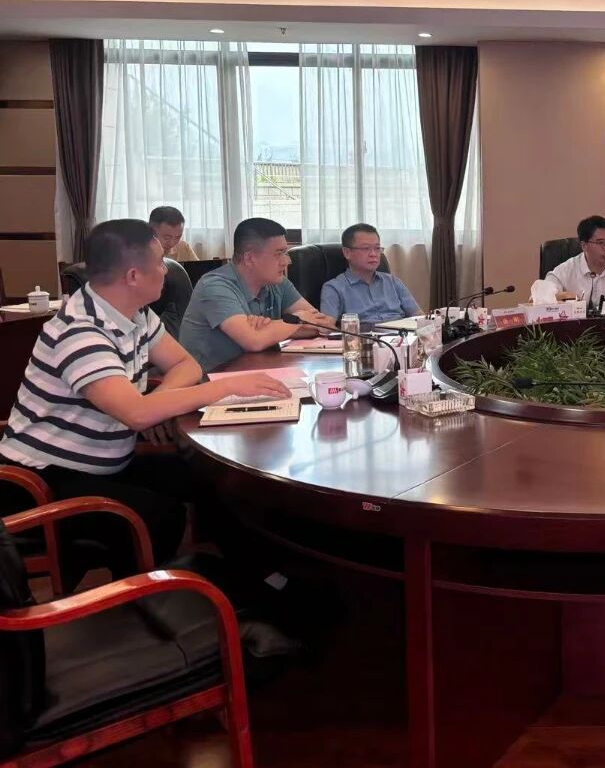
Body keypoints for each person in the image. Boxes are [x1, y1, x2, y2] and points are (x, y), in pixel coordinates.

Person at [0, 219, 291, 586]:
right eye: (159, 263)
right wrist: (224, 388)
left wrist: (157, 402)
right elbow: (136, 414)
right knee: (157, 515)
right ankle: (143, 599)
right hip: (44, 478)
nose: (165, 271)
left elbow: (186, 365)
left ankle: (258, 576)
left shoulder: (134, 313)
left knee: (214, 476)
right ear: (134, 275)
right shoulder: (80, 331)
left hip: (106, 459)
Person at [180, 217, 336, 372]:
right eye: (279, 254)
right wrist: (297, 320)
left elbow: (324, 324)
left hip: (256, 372)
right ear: (250, 258)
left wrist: (271, 328)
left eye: (285, 253)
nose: (287, 261)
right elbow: (254, 341)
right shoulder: (215, 286)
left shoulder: (277, 282)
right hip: (209, 379)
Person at [320, 223, 422, 324]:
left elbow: (418, 316)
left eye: (377, 248)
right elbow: (327, 327)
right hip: (364, 334)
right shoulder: (333, 288)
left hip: (401, 332)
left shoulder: (393, 282)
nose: (373, 254)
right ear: (347, 253)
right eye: (366, 248)